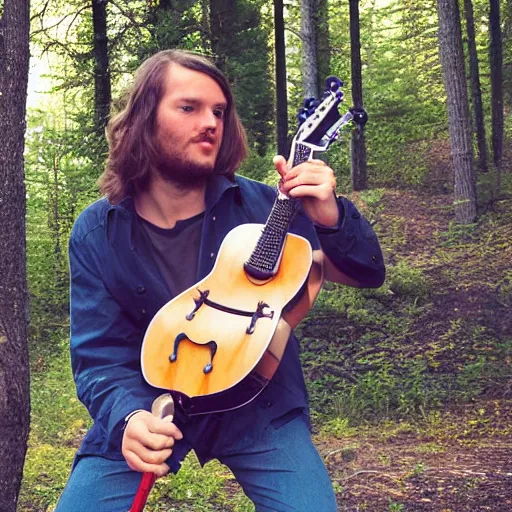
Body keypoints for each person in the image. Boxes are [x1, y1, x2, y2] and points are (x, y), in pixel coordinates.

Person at [56, 49, 385, 512]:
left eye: (218, 111)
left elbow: (367, 272)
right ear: (144, 118)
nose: (210, 122)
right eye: (189, 107)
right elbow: (97, 353)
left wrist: (331, 217)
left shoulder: (268, 209)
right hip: (152, 399)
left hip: (257, 402)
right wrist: (127, 418)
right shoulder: (97, 231)